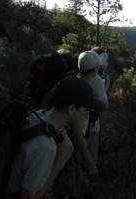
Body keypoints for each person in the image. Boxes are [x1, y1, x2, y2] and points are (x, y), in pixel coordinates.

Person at [5, 77, 105, 199]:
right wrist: (61, 161)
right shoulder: (46, 147)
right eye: (86, 109)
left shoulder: (38, 115)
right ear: (72, 109)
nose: (88, 113)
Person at [51, 51, 103, 198]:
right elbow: (77, 135)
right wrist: (91, 163)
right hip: (69, 148)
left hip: (64, 143)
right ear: (95, 69)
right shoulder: (80, 92)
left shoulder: (72, 81)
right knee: (69, 187)